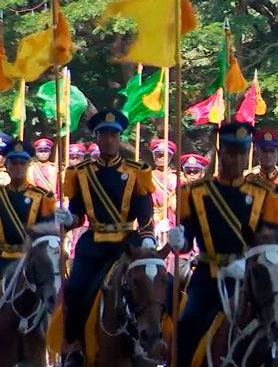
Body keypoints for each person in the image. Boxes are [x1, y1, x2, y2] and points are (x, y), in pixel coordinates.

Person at [167, 122, 278, 367]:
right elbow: (187, 244)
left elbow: (271, 239)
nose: (238, 159)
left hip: (256, 274)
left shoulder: (267, 193)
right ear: (220, 153)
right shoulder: (194, 193)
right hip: (210, 275)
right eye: (231, 153)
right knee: (187, 324)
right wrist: (179, 240)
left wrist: (247, 262)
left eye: (243, 153)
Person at [55, 109, 156, 367]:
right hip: (94, 244)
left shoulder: (136, 171)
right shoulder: (82, 172)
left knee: (153, 289)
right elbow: (78, 215)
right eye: (104, 135)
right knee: (75, 290)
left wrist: (147, 239)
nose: (109, 140)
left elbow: (145, 216)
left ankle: (154, 344)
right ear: (97, 138)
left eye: (113, 135)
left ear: (120, 138)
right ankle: (74, 347)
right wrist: (68, 219)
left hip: (127, 245)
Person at [0, 140, 57, 274]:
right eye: (14, 163)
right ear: (6, 165)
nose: (18, 168)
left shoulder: (42, 197)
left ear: (28, 165)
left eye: (22, 163)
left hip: (30, 260)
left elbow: (47, 232)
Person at [150, 139, 178, 246]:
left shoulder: (178, 179)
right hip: (151, 218)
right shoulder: (147, 176)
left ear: (170, 157)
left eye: (165, 155)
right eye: (159, 155)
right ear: (154, 156)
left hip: (170, 219)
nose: (162, 158)